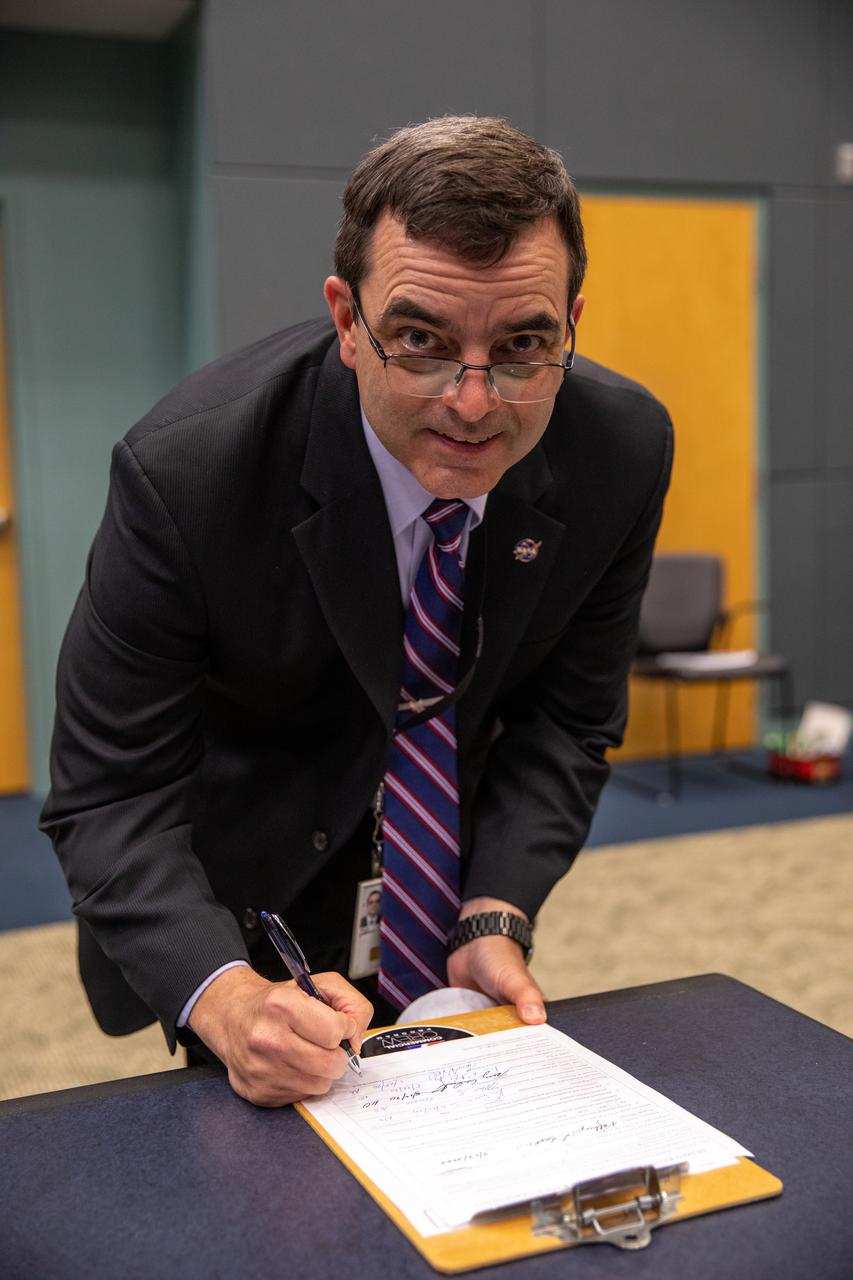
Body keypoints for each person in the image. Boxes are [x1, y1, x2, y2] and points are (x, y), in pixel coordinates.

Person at [41, 115, 673, 1108]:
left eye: (522, 346)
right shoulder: (189, 476)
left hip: (442, 862)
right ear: (347, 318)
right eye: (420, 341)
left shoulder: (617, 451)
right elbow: (107, 793)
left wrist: (494, 911)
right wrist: (224, 996)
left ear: (572, 323)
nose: (473, 401)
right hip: (245, 886)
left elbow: (569, 718)